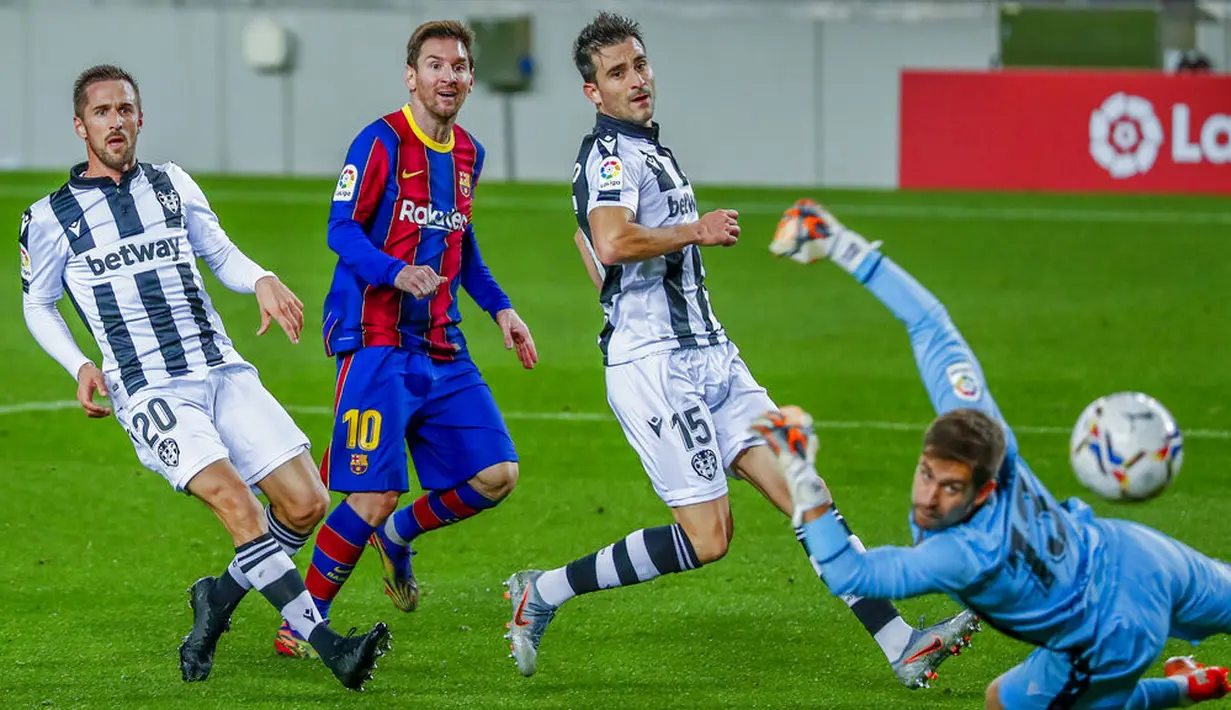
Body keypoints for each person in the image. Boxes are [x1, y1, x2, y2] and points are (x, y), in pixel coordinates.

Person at [501, 13, 979, 687]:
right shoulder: (610, 155)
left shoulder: (648, 150)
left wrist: (623, 279)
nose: (636, 80)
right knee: (708, 538)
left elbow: (597, 256)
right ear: (592, 92)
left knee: (805, 492)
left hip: (711, 355)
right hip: (659, 368)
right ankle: (542, 591)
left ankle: (901, 643)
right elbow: (609, 241)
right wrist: (693, 229)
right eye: (617, 73)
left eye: (639, 64)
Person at [759, 199, 1231, 709]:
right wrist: (842, 245)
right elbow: (931, 326)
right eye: (927, 475)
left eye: (951, 488)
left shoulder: (961, 554)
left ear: (984, 488)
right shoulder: (988, 439)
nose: (931, 498)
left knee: (1007, 703)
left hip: (1106, 632)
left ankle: (1182, 688)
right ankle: (1192, 682)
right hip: (1131, 552)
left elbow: (851, 575)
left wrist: (800, 470)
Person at [19, 64, 390, 689]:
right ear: (80, 126)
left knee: (306, 504)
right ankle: (329, 646)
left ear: (141, 118)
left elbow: (219, 253)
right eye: (103, 112)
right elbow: (38, 302)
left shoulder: (172, 185)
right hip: (150, 388)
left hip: (220, 367)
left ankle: (216, 600)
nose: (117, 121)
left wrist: (262, 279)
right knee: (236, 501)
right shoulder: (50, 217)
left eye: (126, 109)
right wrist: (80, 364)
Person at [282, 20, 537, 658]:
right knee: (371, 491)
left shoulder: (470, 153)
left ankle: (397, 536)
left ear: (471, 78)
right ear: (411, 75)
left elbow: (463, 244)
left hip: (444, 344)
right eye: (434, 65)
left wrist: (502, 309)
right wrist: (396, 271)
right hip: (374, 339)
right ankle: (300, 621)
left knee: (498, 475)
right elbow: (340, 230)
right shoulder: (379, 143)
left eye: (458, 66)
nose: (448, 76)